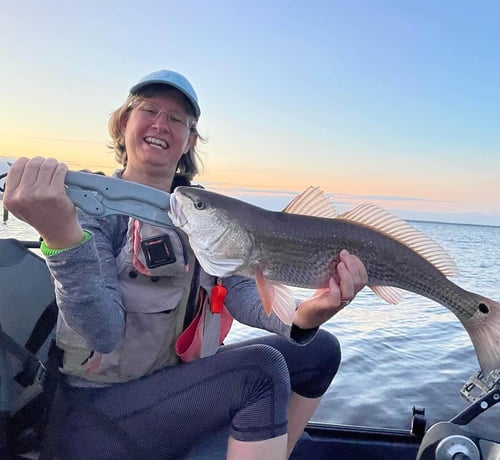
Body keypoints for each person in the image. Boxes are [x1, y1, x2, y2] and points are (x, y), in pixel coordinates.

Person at [4, 69, 368, 459]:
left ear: (190, 139)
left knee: (320, 349)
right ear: (125, 122)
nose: (161, 123)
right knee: (261, 370)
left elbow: (243, 290)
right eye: (149, 110)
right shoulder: (91, 208)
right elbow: (102, 334)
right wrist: (62, 238)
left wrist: (305, 316)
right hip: (96, 411)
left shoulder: (200, 212)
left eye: (177, 118)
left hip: (171, 383)